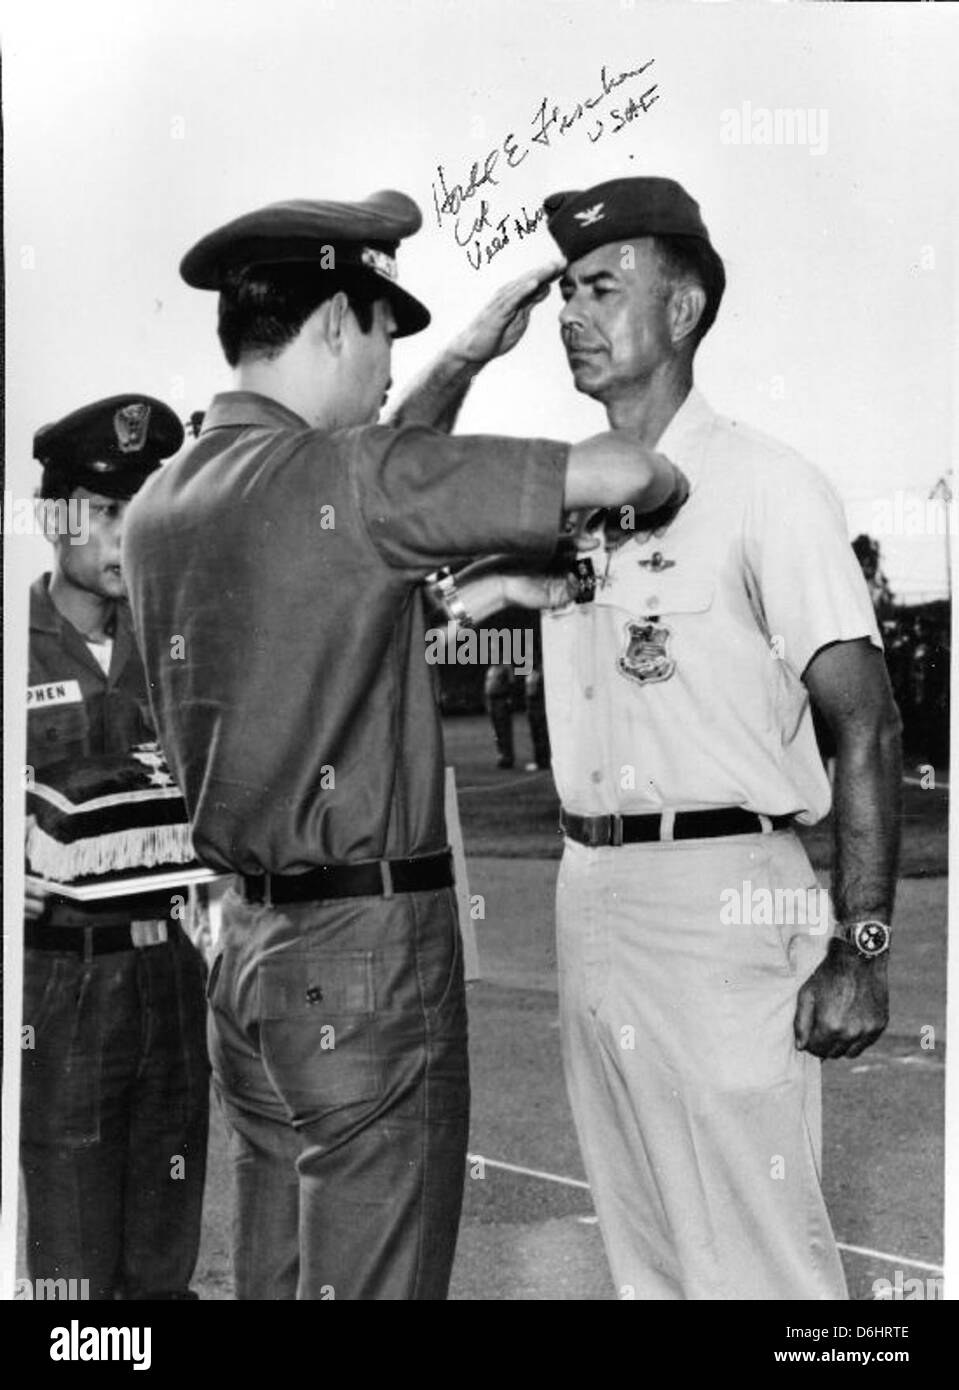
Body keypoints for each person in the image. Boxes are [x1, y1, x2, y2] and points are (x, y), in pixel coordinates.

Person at [121, 190, 688, 1301]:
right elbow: (623, 477)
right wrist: (658, 479)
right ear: (336, 320)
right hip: (368, 953)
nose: (389, 369)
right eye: (386, 334)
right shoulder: (352, 480)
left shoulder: (157, 507)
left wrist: (463, 363)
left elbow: (358, 507)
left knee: (282, 1282)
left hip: (247, 952)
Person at [448, 177, 902, 1300]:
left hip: (720, 895)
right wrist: (461, 358)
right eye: (563, 295)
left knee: (757, 1250)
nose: (570, 315)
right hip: (587, 884)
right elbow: (384, 488)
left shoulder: (765, 485)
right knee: (644, 1248)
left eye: (602, 286)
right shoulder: (563, 501)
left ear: (684, 310)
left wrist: (861, 948)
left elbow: (867, 724)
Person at [21, 395, 210, 1300]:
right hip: (56, 987)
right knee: (70, 1270)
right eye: (106, 512)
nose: (128, 534)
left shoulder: (179, 646)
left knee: (163, 1263)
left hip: (170, 974)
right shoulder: (14, 651)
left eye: (145, 509)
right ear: (56, 515)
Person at [484, 610, 550, 771]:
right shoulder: (492, 668)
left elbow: (512, 683)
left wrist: (509, 698)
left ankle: (537, 760)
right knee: (499, 733)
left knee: (533, 733)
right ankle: (508, 757)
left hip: (505, 701)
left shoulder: (506, 667)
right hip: (497, 702)